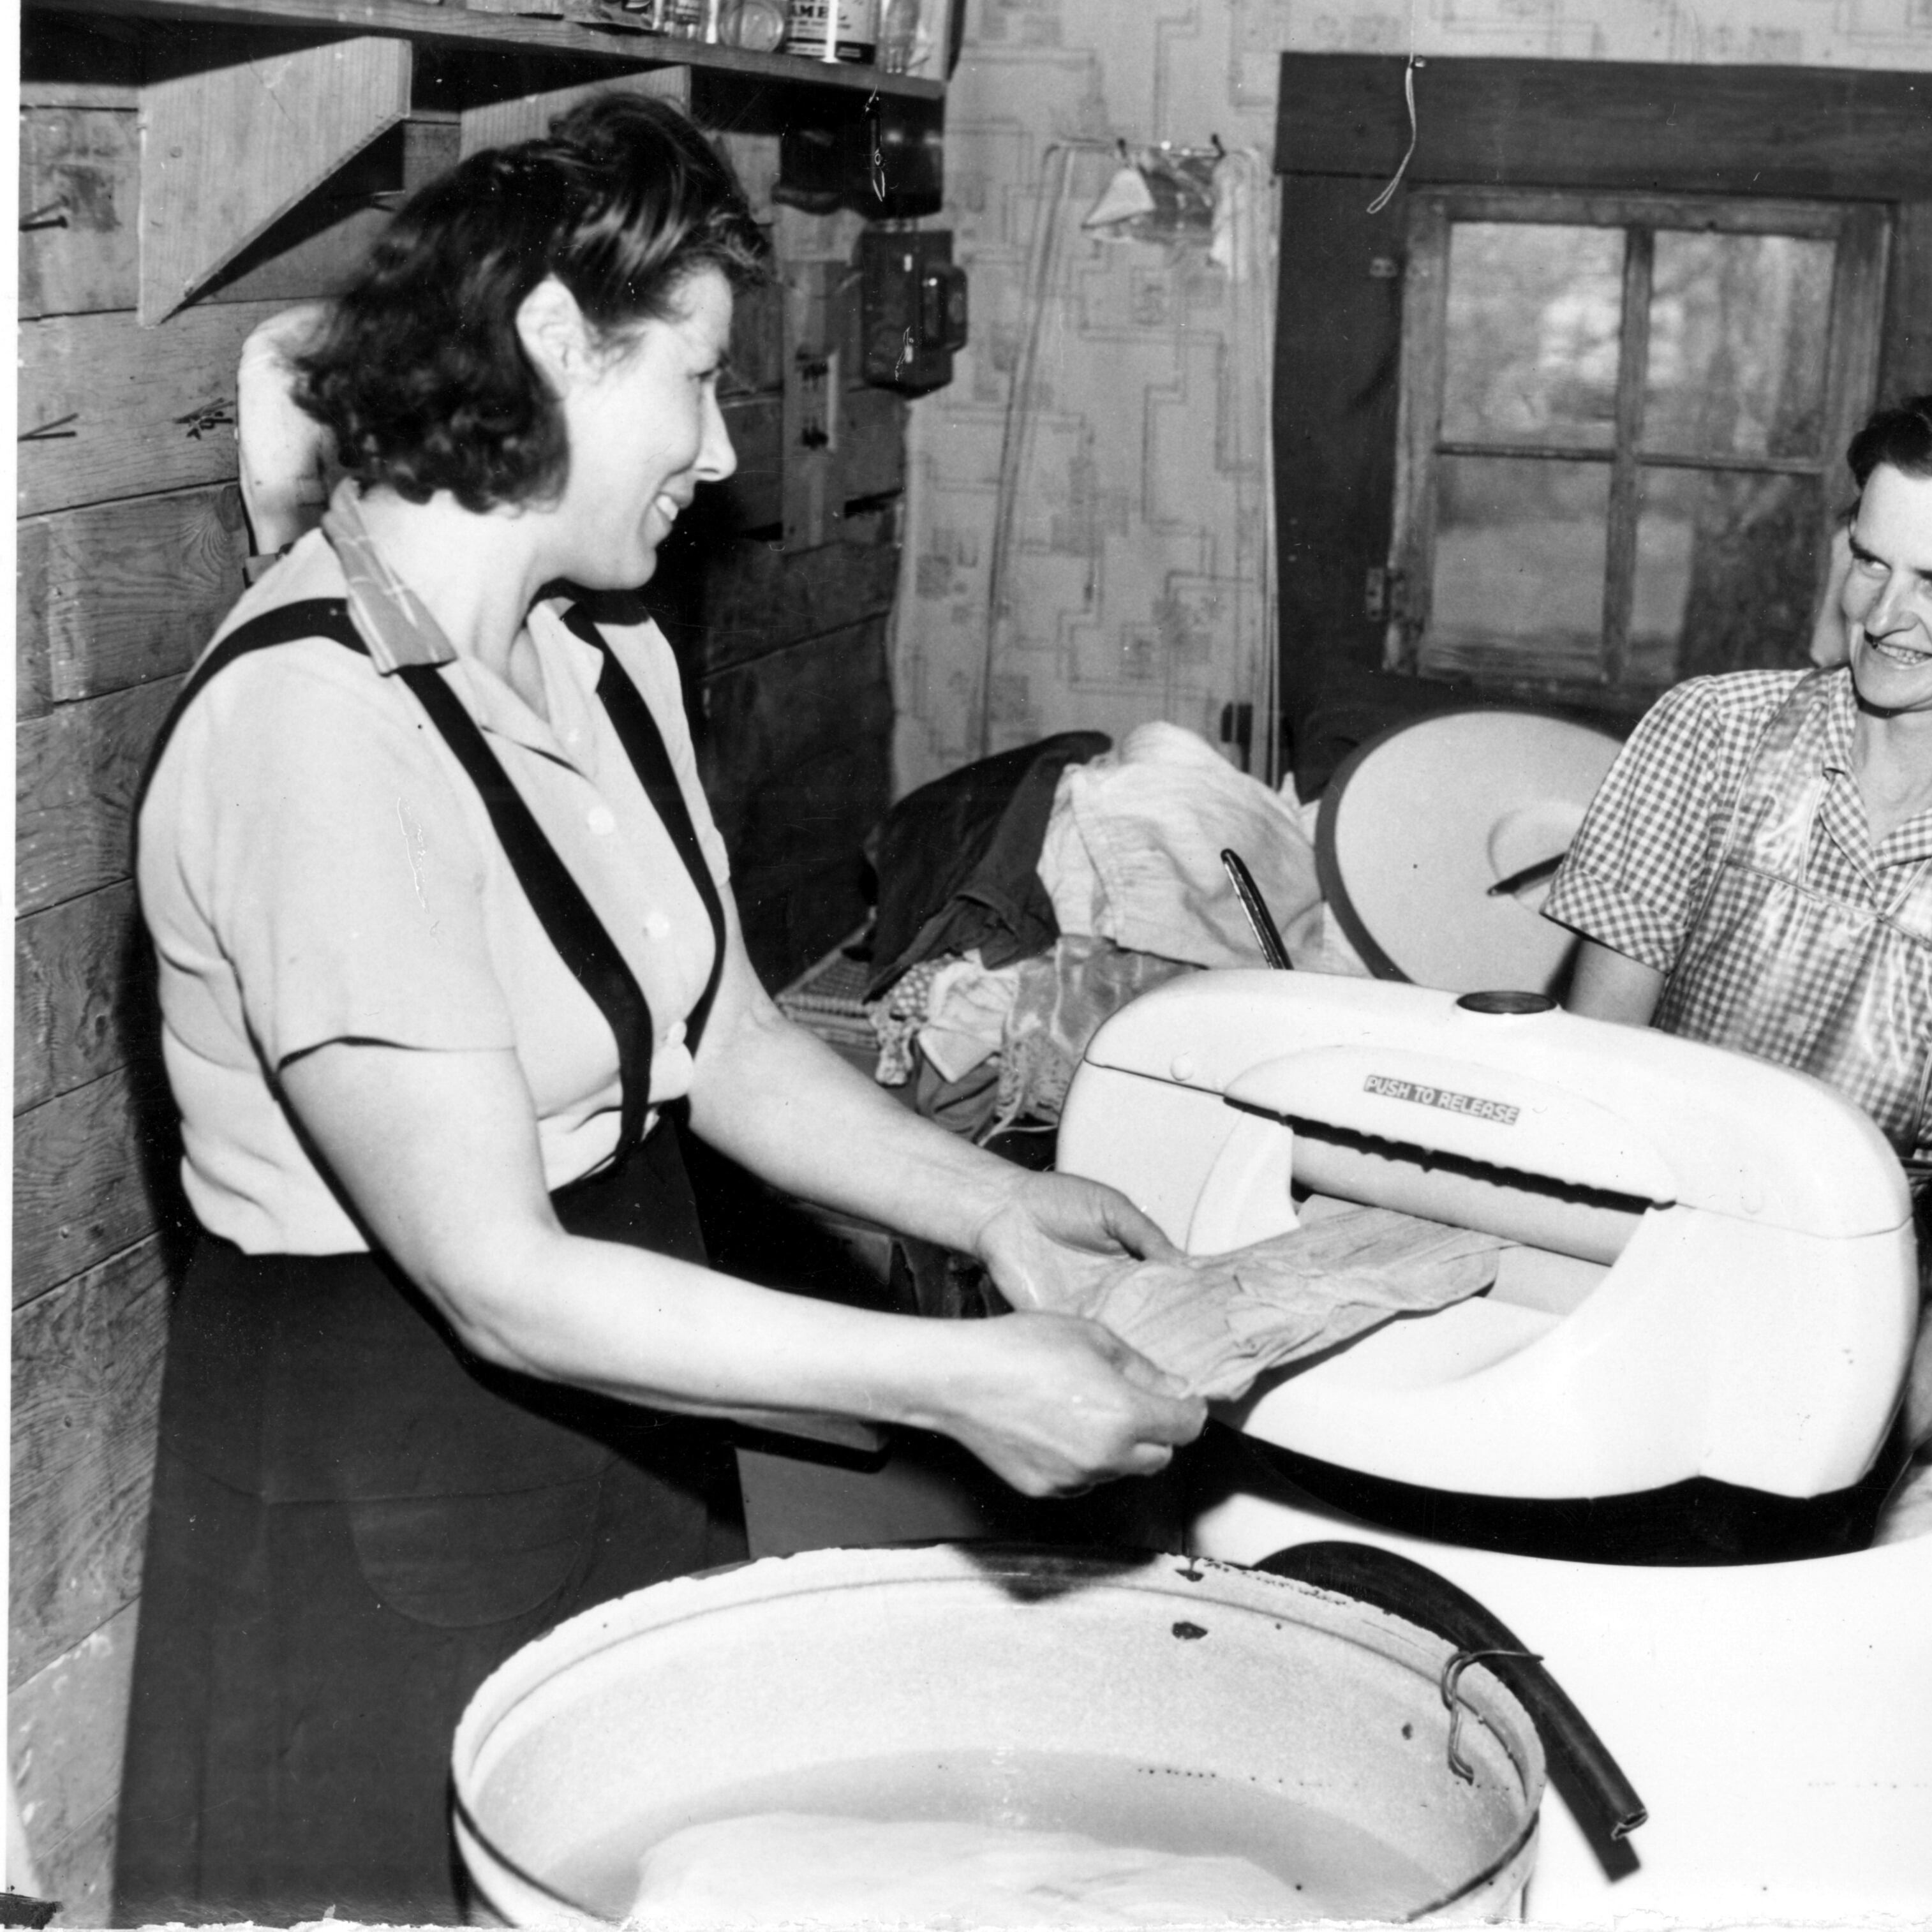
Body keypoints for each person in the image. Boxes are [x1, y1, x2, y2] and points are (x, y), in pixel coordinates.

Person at [117, 93, 1206, 1926]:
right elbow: (497, 1277)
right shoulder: (314, 727)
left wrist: (991, 1204)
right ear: (552, 343)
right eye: (692, 378)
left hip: (628, 1390)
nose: (718, 446)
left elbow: (729, 1045)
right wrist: (947, 1376)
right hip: (386, 1443)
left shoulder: (602, 653)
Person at [1544, 377, 1932, 1455]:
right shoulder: (1706, 738)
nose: (1880, 615)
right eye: (1869, 560)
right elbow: (1593, 1073)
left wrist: (1919, 1375)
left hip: (1868, 1278)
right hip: (1636, 1229)